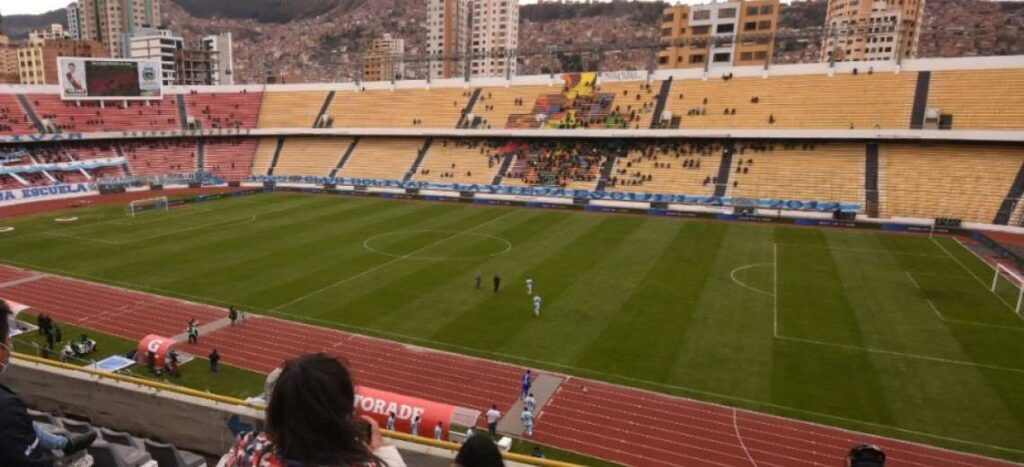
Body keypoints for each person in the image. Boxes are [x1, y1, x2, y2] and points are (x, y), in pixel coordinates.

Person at [221, 353, 405, 466]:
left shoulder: (247, 451)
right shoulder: (368, 464)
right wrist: (383, 450)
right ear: (345, 415)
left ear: (276, 412)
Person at [1, 301, 98, 465]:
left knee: (30, 424)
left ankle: (65, 444)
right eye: (8, 338)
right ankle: (65, 445)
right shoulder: (6, 407)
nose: (11, 344)